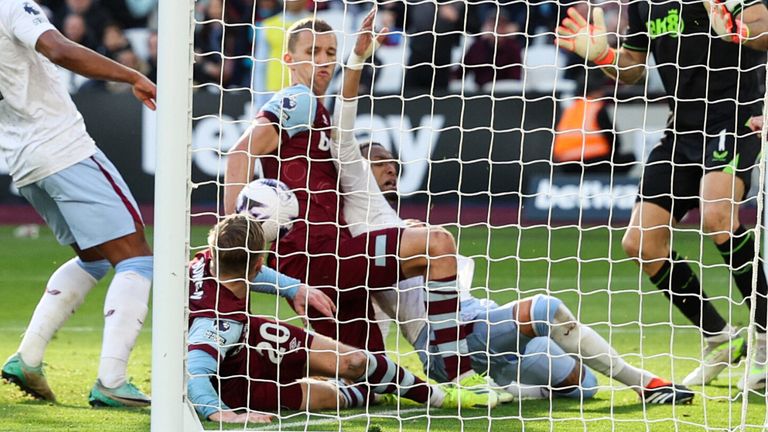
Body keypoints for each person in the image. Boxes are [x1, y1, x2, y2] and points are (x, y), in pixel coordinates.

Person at [331, 50, 694, 405]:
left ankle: (503, 387)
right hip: (443, 342)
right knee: (545, 309)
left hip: (479, 319)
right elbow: (342, 135)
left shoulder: (398, 229)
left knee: (581, 385)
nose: (391, 167)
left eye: (393, 161)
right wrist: (357, 60)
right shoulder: (361, 222)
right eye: (379, 162)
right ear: (358, 174)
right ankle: (647, 384)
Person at [224, 10, 498, 407]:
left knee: (362, 376)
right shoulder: (296, 99)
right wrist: (235, 223)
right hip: (317, 253)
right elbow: (240, 152)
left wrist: (356, 59)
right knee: (437, 243)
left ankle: (251, 387)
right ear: (289, 60)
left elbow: (344, 111)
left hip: (321, 256)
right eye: (312, 51)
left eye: (329, 52)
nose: (322, 59)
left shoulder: (319, 111)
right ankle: (457, 373)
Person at [556, 3, 768, 391]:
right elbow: (634, 68)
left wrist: (737, 30)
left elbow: (764, 29)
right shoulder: (644, 5)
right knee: (641, 243)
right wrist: (604, 55)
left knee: (717, 215)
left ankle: (766, 337)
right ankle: (720, 337)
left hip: (736, 118)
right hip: (682, 130)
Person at [0, 0, 156, 406]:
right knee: (136, 258)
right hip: (63, 149)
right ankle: (112, 381)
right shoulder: (12, 6)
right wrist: (132, 73)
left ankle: (28, 358)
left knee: (95, 257)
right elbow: (59, 49)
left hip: (23, 160)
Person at [187, 214, 484, 424]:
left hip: (248, 336)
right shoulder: (218, 323)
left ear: (214, 251)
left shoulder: (203, 263)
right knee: (329, 397)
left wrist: (296, 287)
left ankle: (436, 394)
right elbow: (196, 372)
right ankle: (401, 394)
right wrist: (220, 412)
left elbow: (247, 272)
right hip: (232, 383)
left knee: (355, 362)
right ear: (259, 261)